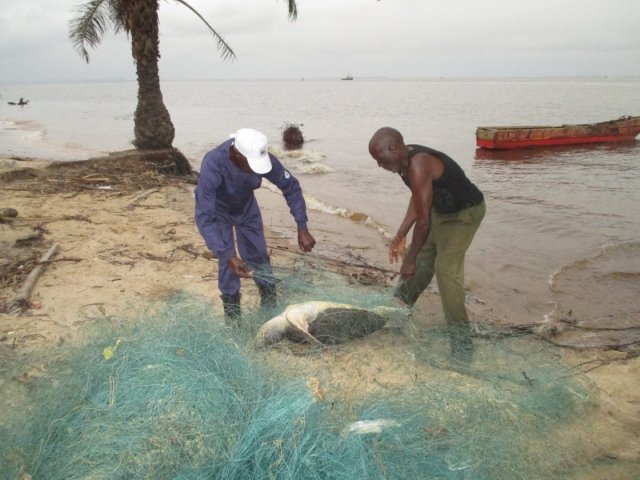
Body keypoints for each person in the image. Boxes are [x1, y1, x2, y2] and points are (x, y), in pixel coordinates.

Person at [368, 127, 485, 361]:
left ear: (393, 148)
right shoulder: (402, 164)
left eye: (380, 160)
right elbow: (419, 198)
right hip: (439, 212)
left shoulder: (418, 163)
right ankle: (400, 310)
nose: (380, 166)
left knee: (445, 271)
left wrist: (409, 258)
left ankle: (462, 346)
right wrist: (401, 234)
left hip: (464, 214)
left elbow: (423, 220)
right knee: (421, 263)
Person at [195, 128, 316, 325]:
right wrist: (227, 255)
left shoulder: (262, 158)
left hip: (246, 208)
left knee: (259, 257)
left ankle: (269, 307)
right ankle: (233, 321)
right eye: (251, 165)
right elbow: (204, 217)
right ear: (235, 154)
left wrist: (302, 226)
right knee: (229, 266)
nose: (255, 170)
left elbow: (291, 187)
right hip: (218, 212)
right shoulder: (213, 163)